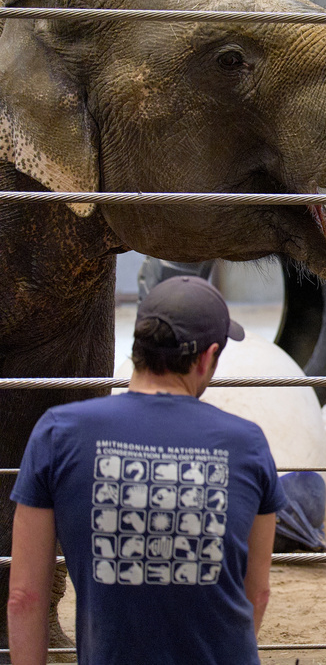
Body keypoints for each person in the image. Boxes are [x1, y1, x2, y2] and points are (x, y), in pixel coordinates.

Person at [8, 276, 288, 664]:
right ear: (207, 358)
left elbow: (25, 596)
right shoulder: (247, 443)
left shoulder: (58, 432)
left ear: (138, 345)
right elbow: (257, 593)